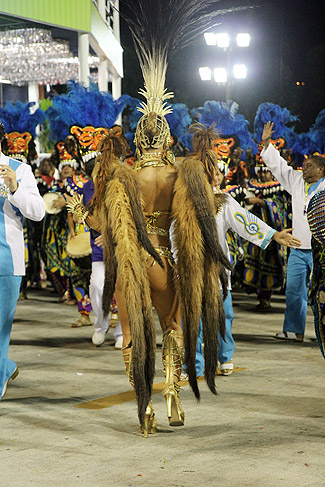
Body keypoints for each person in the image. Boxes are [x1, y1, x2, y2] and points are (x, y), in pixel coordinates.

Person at [261, 121, 325, 341]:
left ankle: (322, 332)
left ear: (321, 169)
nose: (303, 168)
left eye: (308, 166)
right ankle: (294, 330)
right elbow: (278, 166)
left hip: (321, 250)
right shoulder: (296, 180)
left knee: (322, 294)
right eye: (303, 165)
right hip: (297, 247)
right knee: (294, 291)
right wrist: (266, 142)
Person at [0, 119, 45, 399]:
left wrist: (15, 188)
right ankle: (7, 366)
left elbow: (38, 212)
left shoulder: (19, 169)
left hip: (6, 261)